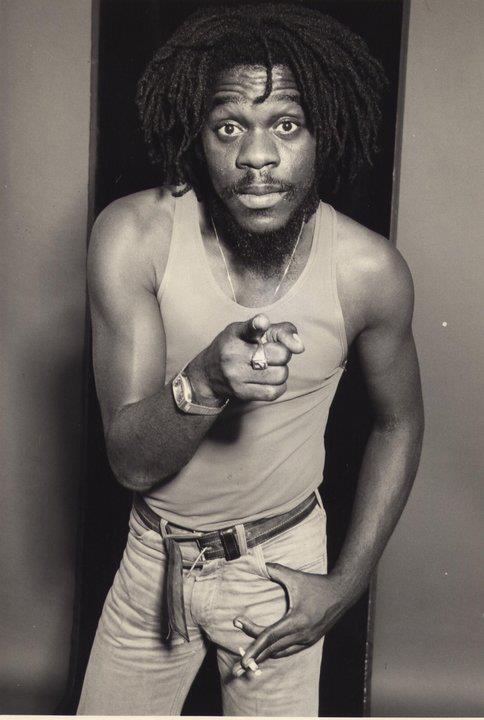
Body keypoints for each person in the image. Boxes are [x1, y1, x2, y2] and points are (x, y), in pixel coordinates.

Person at [77, 3, 424, 716]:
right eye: (229, 127)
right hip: (154, 563)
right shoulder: (135, 236)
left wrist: (346, 584)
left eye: (286, 125)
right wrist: (205, 381)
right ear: (197, 137)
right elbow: (131, 464)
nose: (257, 158)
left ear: (323, 135)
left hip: (280, 568)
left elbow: (400, 424)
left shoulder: (368, 272)